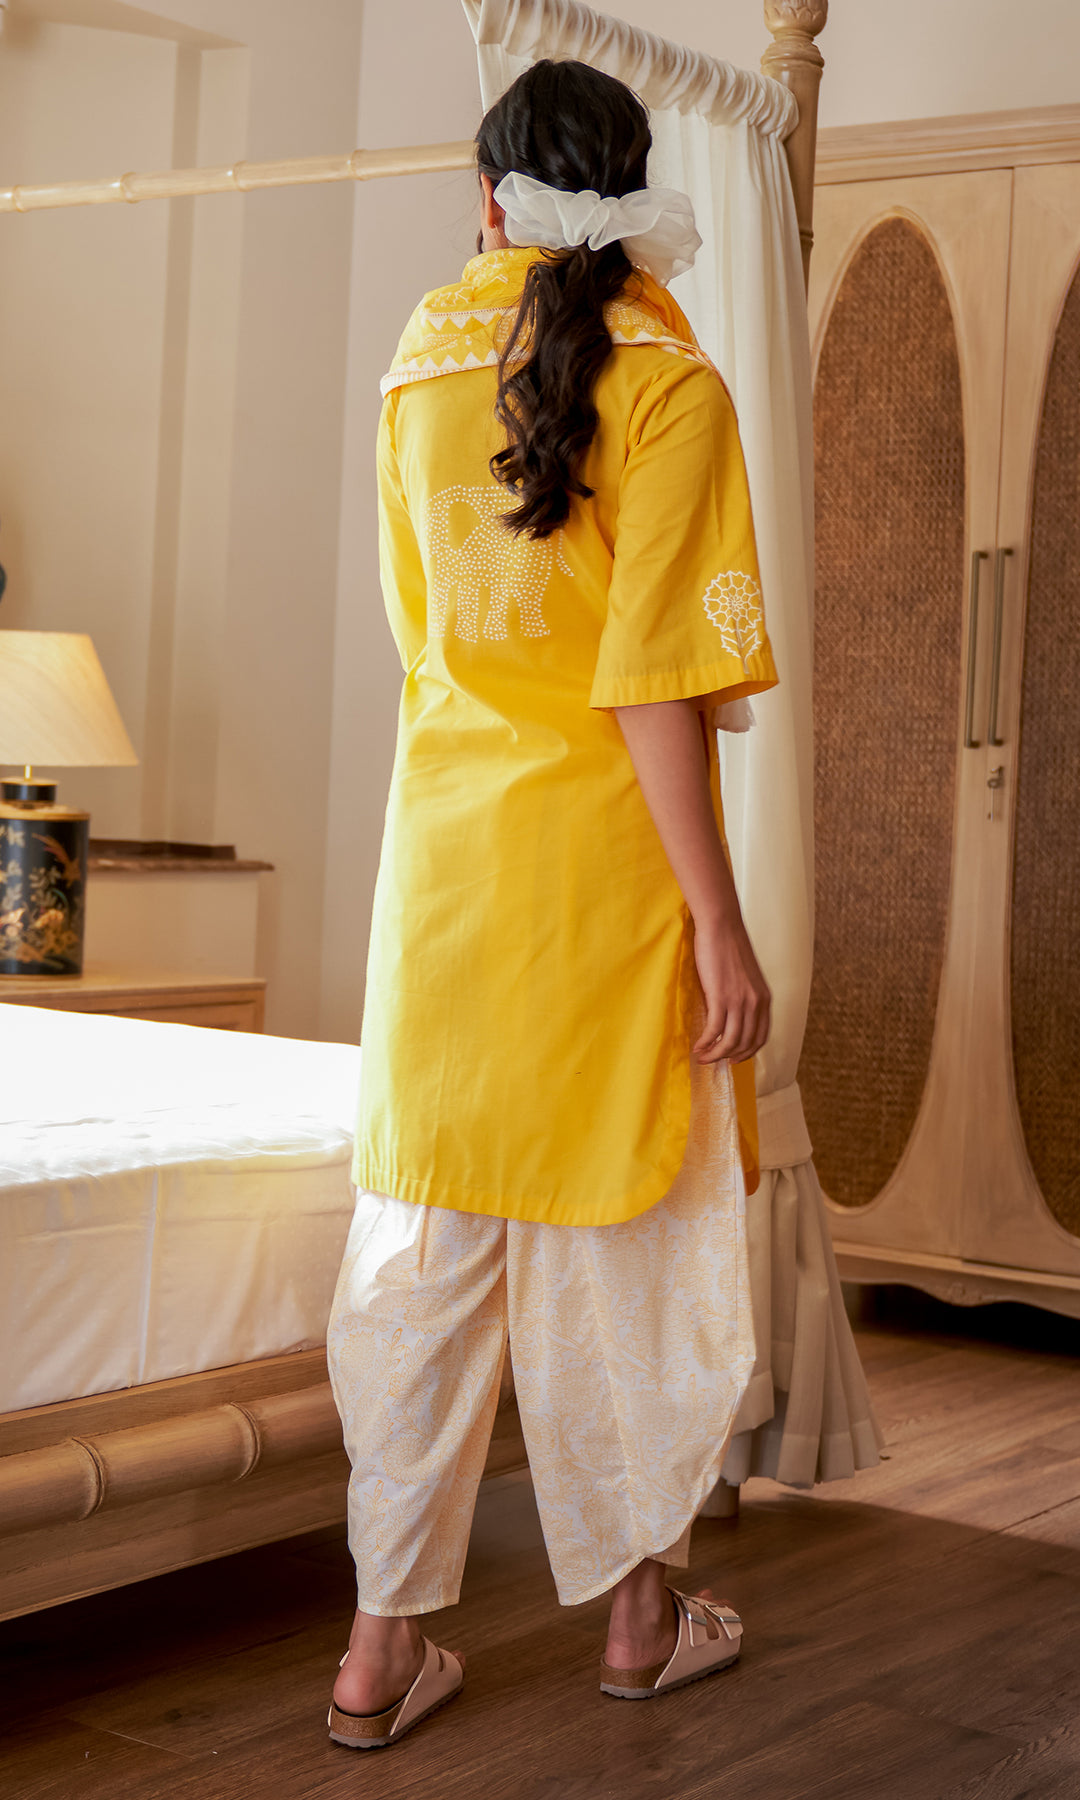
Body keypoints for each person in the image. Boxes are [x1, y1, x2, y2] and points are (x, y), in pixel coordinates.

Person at [326, 57, 778, 1749]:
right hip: (607, 875)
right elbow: (656, 683)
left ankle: (378, 1654)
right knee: (625, 1246)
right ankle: (641, 1625)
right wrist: (718, 919)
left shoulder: (416, 363)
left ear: (490, 194)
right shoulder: (671, 381)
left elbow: (419, 634)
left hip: (447, 868)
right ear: (637, 184)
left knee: (428, 1252)